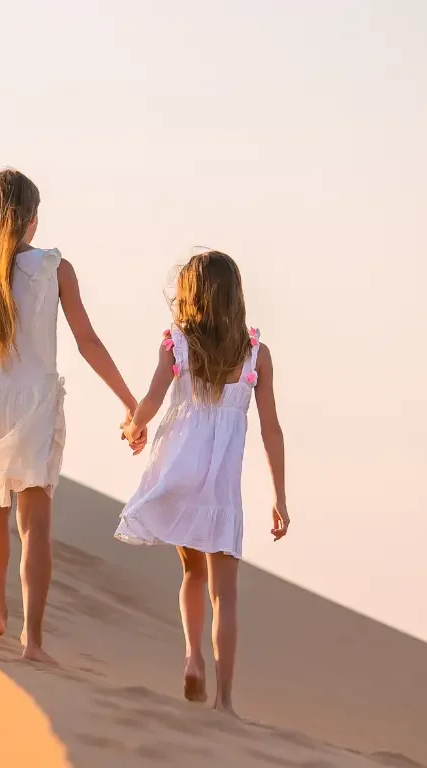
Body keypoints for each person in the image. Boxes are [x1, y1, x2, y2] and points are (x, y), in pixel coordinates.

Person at [0, 168, 137, 664]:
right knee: (35, 523)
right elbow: (87, 341)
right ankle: (32, 639)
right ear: (30, 220)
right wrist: (129, 401)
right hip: (32, 401)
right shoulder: (54, 268)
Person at [115, 249, 289, 715]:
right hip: (221, 488)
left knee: (191, 572)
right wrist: (280, 497)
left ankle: (193, 656)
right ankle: (225, 701)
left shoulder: (177, 345)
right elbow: (271, 428)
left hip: (181, 471)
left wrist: (134, 427)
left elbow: (152, 398)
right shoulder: (256, 354)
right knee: (224, 594)